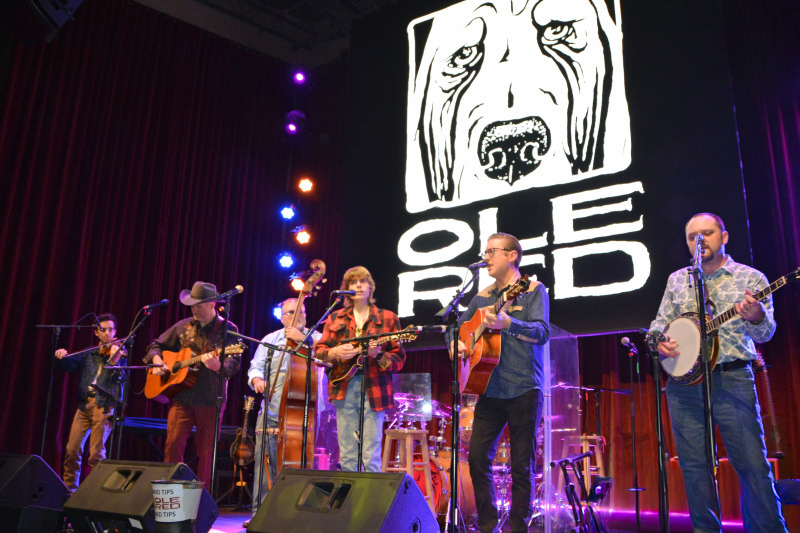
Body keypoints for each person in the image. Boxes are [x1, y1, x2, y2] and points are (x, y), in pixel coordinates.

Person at [650, 212, 787, 533]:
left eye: (707, 233)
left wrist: (755, 317)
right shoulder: (677, 279)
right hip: (684, 385)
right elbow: (659, 323)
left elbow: (765, 333)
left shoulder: (750, 278)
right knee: (695, 468)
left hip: (732, 379)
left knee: (752, 465)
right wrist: (660, 343)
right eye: (692, 237)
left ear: (724, 237)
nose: (699, 242)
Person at [453, 232, 550, 533]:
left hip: (523, 388)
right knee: (478, 458)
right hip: (489, 389)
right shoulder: (481, 297)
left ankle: (519, 527)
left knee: (522, 465)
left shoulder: (532, 289)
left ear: (512, 256)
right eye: (485, 252)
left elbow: (543, 333)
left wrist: (510, 323)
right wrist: (457, 345)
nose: (486, 258)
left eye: (492, 251)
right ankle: (487, 525)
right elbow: (460, 331)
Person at [145, 281, 240, 487]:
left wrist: (217, 366)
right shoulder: (183, 325)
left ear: (211, 304)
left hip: (209, 398)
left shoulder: (227, 329)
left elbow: (233, 365)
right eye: (192, 304)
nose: (193, 308)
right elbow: (156, 345)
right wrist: (157, 361)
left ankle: (200, 501)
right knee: (172, 445)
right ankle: (170, 493)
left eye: (198, 304)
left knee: (206, 452)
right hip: (181, 396)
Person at [315, 266, 406, 472]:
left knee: (371, 454)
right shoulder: (335, 317)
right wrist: (335, 352)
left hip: (375, 388)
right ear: (346, 288)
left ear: (370, 287)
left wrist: (379, 355)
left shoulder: (388, 318)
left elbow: (398, 360)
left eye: (363, 281)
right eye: (353, 282)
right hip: (344, 387)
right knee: (347, 453)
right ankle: (352, 502)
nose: (358, 285)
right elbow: (319, 351)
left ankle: (373, 503)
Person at [244, 297, 323, 527]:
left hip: (303, 416)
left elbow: (325, 360)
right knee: (263, 466)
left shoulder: (316, 339)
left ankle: (295, 516)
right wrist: (257, 379)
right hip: (270, 411)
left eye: (301, 311)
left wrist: (305, 342)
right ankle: (261, 515)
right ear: (281, 317)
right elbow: (255, 367)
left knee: (295, 468)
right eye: (291, 312)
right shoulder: (270, 339)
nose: (297, 315)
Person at [56, 313, 127, 492]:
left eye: (111, 330)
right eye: (103, 330)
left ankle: (93, 496)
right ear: (96, 332)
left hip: (103, 406)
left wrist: (115, 360)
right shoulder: (89, 353)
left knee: (96, 455)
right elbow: (70, 366)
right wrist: (62, 355)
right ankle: (70, 492)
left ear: (116, 331)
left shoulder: (121, 352)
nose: (107, 334)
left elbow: (121, 378)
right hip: (83, 406)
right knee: (72, 451)